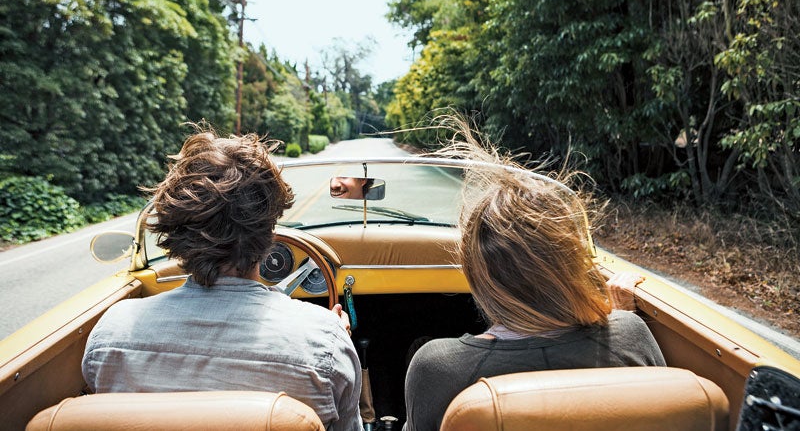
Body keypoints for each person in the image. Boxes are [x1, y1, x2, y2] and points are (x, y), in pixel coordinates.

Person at [81, 125, 363, 431]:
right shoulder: (324, 342)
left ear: (175, 233)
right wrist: (333, 336)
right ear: (270, 233)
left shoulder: (109, 336)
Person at [402, 122, 665, 431]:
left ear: (478, 276)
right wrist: (619, 318)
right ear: (570, 264)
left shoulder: (438, 368)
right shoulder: (630, 335)